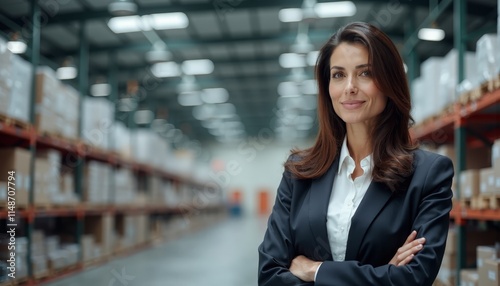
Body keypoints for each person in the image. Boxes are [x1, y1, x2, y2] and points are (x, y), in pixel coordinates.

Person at [258, 22, 454, 286]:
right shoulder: (299, 173)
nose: (349, 87)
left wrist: (315, 270)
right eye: (338, 75)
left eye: (365, 73)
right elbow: (269, 275)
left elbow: (414, 278)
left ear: (389, 82)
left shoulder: (428, 174)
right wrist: (383, 274)